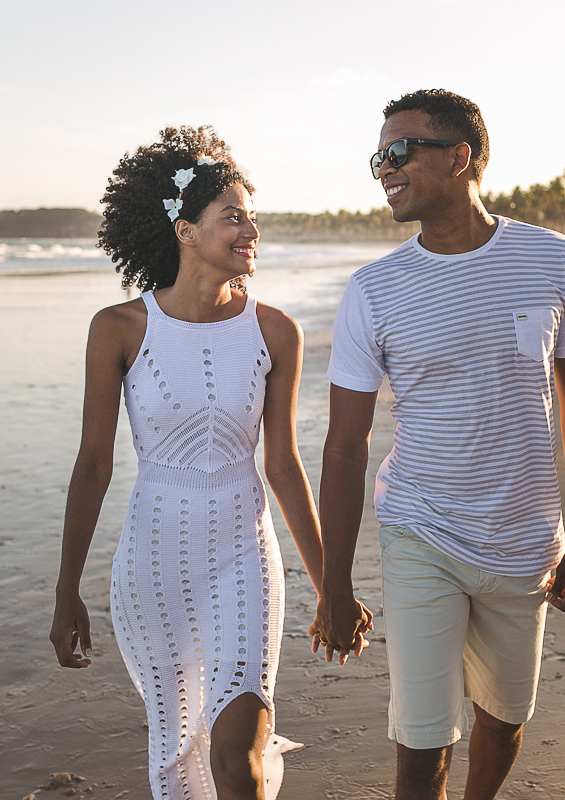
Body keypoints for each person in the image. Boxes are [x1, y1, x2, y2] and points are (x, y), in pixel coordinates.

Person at [310, 90, 565, 800]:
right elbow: (345, 448)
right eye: (377, 156)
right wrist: (335, 584)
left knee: (503, 722)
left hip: (525, 542)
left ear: (459, 157)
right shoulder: (374, 290)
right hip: (421, 531)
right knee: (420, 745)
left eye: (399, 151)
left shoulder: (550, 258)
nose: (384, 167)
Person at [49, 126, 353, 800]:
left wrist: (330, 584)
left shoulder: (275, 331)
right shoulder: (119, 329)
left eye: (252, 217)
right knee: (176, 756)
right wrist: (66, 587)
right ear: (184, 230)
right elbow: (93, 464)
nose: (251, 230)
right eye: (233, 216)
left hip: (243, 553)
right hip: (151, 565)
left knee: (235, 756)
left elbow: (283, 465)